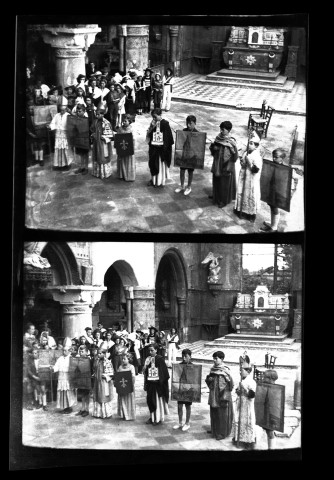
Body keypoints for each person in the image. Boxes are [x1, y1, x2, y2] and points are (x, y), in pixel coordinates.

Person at [259, 148, 303, 232]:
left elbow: (296, 177)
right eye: (273, 156)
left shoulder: (286, 168)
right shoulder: (272, 164)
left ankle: (274, 228)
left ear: (282, 158)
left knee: (275, 208)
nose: (273, 158)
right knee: (271, 206)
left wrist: (298, 176)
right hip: (272, 190)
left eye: (276, 157)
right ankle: (272, 223)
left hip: (279, 192)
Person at [209, 120, 239, 208]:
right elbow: (213, 150)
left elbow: (235, 156)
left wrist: (228, 157)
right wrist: (213, 148)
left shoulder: (231, 141)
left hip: (226, 164)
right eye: (220, 129)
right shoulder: (218, 138)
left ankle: (224, 200)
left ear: (228, 130)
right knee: (216, 180)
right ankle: (216, 195)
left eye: (223, 130)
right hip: (217, 162)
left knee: (224, 183)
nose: (221, 131)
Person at [234, 131, 263, 222]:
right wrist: (242, 160)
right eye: (249, 143)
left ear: (256, 146)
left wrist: (249, 162)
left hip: (251, 179)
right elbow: (242, 163)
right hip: (243, 177)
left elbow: (256, 170)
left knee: (250, 195)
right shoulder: (247, 152)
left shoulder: (257, 156)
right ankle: (240, 210)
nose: (249, 145)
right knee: (241, 193)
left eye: (251, 144)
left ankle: (250, 214)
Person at [205, 351, 234, 440]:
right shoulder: (213, 369)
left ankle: (222, 433)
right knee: (214, 412)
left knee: (222, 414)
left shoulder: (225, 369)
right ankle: (215, 430)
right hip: (214, 394)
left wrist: (223, 392)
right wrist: (209, 379)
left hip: (222, 395)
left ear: (221, 359)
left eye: (216, 358)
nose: (214, 360)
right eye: (213, 358)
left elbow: (230, 384)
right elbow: (209, 380)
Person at [232, 359, 257, 449]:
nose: (240, 372)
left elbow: (252, 395)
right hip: (240, 403)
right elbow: (237, 391)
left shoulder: (251, 382)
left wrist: (244, 390)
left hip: (247, 405)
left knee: (248, 422)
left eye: (242, 370)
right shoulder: (242, 380)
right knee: (238, 420)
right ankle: (239, 439)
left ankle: (248, 441)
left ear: (248, 371)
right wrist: (238, 391)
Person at [147, 108, 174, 188]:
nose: (154, 119)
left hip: (161, 149)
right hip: (154, 148)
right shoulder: (153, 123)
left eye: (155, 117)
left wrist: (162, 145)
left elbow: (168, 137)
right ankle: (153, 180)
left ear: (160, 115)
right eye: (153, 117)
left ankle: (159, 181)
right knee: (153, 164)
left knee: (159, 165)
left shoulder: (165, 124)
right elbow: (149, 134)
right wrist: (151, 128)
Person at [143, 343, 170, 425]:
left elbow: (164, 372)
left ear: (156, 350)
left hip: (158, 384)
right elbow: (146, 371)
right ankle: (152, 417)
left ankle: (157, 418)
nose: (150, 352)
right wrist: (145, 369)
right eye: (149, 350)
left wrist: (158, 379)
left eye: (152, 350)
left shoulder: (160, 359)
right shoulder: (148, 359)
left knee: (157, 401)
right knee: (150, 400)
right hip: (151, 384)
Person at [175, 115, 199, 196]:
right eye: (187, 123)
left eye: (190, 123)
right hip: (184, 154)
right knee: (182, 170)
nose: (188, 125)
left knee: (190, 171)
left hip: (192, 156)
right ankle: (182, 185)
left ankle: (189, 186)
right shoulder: (184, 130)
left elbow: (198, 146)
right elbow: (181, 141)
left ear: (194, 123)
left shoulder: (198, 133)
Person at [173, 348, 194, 432]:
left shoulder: (193, 366)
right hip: (181, 388)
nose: (184, 358)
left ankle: (187, 422)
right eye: (183, 356)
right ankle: (180, 422)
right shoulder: (179, 365)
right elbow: (176, 376)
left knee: (188, 406)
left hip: (189, 389)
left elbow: (194, 379)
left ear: (190, 357)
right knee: (179, 405)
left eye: (186, 356)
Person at [47, 98, 72, 170]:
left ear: (66, 109)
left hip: (65, 135)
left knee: (65, 149)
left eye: (63, 110)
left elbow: (71, 125)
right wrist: (50, 126)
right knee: (59, 149)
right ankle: (60, 164)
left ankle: (67, 164)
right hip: (58, 134)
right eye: (61, 110)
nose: (62, 111)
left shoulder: (68, 115)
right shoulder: (57, 115)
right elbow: (53, 123)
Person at [90, 106, 113, 179]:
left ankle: (105, 172)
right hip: (96, 142)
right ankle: (97, 172)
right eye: (96, 114)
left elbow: (109, 133)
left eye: (99, 114)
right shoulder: (95, 121)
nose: (97, 116)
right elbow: (92, 129)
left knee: (103, 156)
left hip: (103, 143)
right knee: (97, 155)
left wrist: (104, 137)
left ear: (103, 114)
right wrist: (93, 134)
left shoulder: (106, 122)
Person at [52, 346, 76, 414]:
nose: (64, 352)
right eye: (63, 350)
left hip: (67, 377)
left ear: (69, 351)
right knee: (62, 392)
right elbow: (56, 366)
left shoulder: (71, 358)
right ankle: (65, 407)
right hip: (61, 377)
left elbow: (73, 368)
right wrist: (53, 368)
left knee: (68, 391)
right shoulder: (60, 358)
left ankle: (69, 407)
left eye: (66, 350)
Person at [92, 347, 114, 418]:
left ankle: (106, 413)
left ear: (104, 354)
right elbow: (94, 370)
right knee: (98, 395)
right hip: (97, 381)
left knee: (104, 396)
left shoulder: (107, 362)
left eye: (100, 353)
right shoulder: (97, 361)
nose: (99, 354)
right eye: (98, 353)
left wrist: (105, 376)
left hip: (104, 382)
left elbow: (111, 373)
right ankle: (98, 413)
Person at [260, 369, 279, 449]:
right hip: (267, 414)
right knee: (268, 432)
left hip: (271, 415)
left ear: (271, 379)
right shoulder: (268, 387)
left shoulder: (274, 389)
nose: (263, 378)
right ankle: (270, 447)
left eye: (265, 377)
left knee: (270, 432)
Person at [117, 353, 136, 420]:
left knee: (129, 400)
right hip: (122, 387)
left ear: (129, 359)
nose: (123, 360)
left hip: (129, 387)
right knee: (123, 400)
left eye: (125, 359)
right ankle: (124, 414)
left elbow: (133, 376)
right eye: (122, 359)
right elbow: (118, 376)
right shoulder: (120, 367)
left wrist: (131, 384)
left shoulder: (131, 367)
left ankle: (129, 415)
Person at [116, 113, 136, 181]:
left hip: (129, 149)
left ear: (129, 122)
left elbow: (133, 139)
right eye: (123, 121)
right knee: (122, 161)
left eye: (125, 121)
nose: (124, 122)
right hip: (122, 148)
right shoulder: (120, 129)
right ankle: (122, 174)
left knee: (128, 161)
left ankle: (128, 175)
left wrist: (133, 146)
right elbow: (118, 138)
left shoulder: (131, 129)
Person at [72, 104, 90, 175]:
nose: (78, 113)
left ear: (84, 111)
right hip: (78, 139)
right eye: (77, 111)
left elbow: (89, 130)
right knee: (80, 154)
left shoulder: (87, 119)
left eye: (80, 111)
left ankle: (86, 167)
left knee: (85, 154)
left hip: (85, 139)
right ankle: (81, 167)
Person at [75, 346, 91, 417]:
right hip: (80, 379)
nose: (81, 353)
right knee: (81, 395)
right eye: (80, 352)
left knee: (86, 395)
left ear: (87, 352)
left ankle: (86, 410)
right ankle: (82, 409)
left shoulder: (89, 360)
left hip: (86, 379)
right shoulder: (78, 360)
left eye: (83, 352)